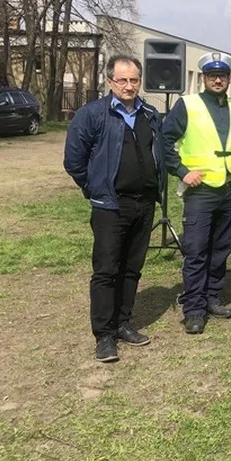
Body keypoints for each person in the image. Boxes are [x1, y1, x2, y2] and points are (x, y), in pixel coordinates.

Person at [64, 55, 164, 362]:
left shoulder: (150, 113)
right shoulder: (92, 114)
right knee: (106, 270)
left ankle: (123, 323)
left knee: (132, 268)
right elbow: (74, 160)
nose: (129, 86)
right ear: (110, 82)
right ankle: (104, 335)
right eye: (122, 80)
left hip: (144, 203)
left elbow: (157, 152)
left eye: (134, 80)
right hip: (111, 205)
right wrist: (94, 188)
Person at [162, 52, 231, 334]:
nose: (217, 80)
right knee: (197, 250)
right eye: (212, 76)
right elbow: (164, 140)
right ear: (203, 79)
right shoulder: (187, 105)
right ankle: (194, 309)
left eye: (222, 76)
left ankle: (212, 296)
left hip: (228, 188)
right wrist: (181, 171)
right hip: (199, 190)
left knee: (222, 245)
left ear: (228, 79)